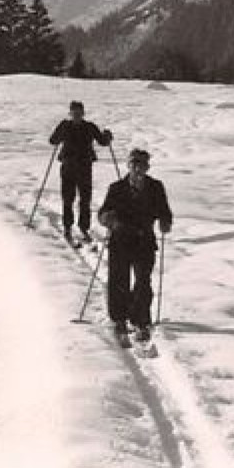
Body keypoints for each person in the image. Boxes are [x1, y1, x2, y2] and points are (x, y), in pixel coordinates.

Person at [97, 147, 173, 343]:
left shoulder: (156, 187)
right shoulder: (116, 188)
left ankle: (141, 320)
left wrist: (165, 221)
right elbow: (103, 213)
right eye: (134, 164)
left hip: (144, 240)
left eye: (142, 164)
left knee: (142, 281)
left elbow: (164, 210)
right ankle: (119, 319)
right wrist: (109, 219)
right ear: (129, 165)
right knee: (118, 281)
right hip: (120, 240)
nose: (138, 169)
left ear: (147, 167)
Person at [48, 101, 112, 243]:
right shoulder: (65, 126)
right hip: (68, 167)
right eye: (74, 113)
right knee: (68, 199)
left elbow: (102, 142)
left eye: (79, 113)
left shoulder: (89, 127)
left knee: (85, 200)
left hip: (84, 168)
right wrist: (59, 132)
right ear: (70, 114)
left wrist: (107, 136)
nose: (77, 116)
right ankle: (67, 227)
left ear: (83, 113)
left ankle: (84, 227)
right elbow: (53, 141)